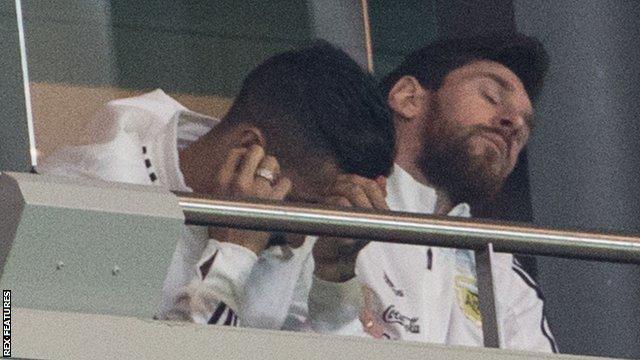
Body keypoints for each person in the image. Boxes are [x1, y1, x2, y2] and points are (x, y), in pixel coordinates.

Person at [38, 42, 395, 328]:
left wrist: (333, 278)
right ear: (247, 150)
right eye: (300, 209)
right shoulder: (89, 194)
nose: (301, 239)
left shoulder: (290, 216)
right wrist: (233, 255)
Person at [308, 33, 558, 352]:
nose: (513, 124)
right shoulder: (324, 209)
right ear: (408, 97)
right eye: (491, 97)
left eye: (525, 128)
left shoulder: (504, 274)